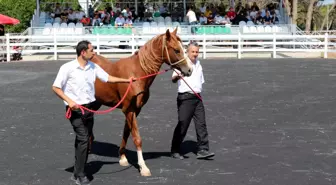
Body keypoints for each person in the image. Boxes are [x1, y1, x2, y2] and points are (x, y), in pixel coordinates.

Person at [52, 40, 135, 185]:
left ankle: (78, 169)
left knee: (83, 139)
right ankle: (80, 174)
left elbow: (108, 78)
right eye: (92, 50)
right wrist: (70, 102)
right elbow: (56, 87)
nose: (94, 52)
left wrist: (126, 80)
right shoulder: (67, 68)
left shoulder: (93, 67)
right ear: (83, 52)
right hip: (75, 110)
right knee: (84, 139)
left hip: (89, 109)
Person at [170, 42, 215, 160]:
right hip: (185, 98)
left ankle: (203, 150)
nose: (195, 54)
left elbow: (201, 81)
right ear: (187, 52)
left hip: (197, 98)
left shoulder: (199, 64)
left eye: (196, 52)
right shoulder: (182, 63)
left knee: (201, 124)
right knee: (183, 124)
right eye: (193, 51)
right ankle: (175, 150)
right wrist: (178, 77)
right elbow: (173, 79)